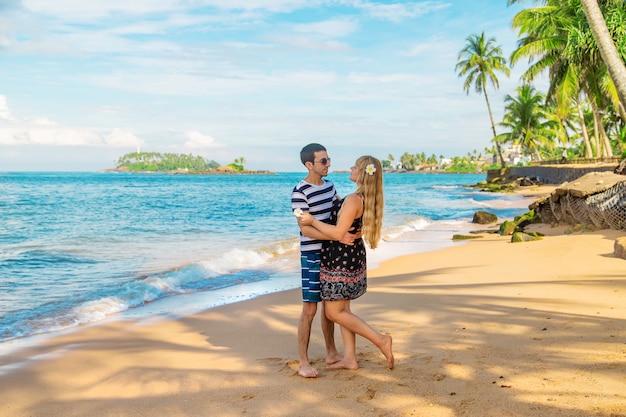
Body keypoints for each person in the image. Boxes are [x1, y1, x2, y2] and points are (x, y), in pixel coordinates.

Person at [297, 155, 394, 370]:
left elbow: (339, 232)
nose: (350, 168)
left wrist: (312, 220)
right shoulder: (362, 197)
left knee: (334, 312)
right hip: (352, 256)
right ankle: (350, 358)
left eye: (355, 166)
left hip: (340, 259)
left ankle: (380, 339)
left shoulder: (354, 200)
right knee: (344, 310)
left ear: (362, 174)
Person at [291, 143, 360, 378]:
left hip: (333, 255)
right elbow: (307, 230)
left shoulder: (330, 186)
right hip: (311, 256)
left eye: (329, 159)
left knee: (331, 307)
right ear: (309, 164)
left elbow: (342, 211)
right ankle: (303, 362)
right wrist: (337, 235)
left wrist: (355, 230)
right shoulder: (299, 192)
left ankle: (331, 353)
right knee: (310, 308)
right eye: (323, 161)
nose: (328, 164)